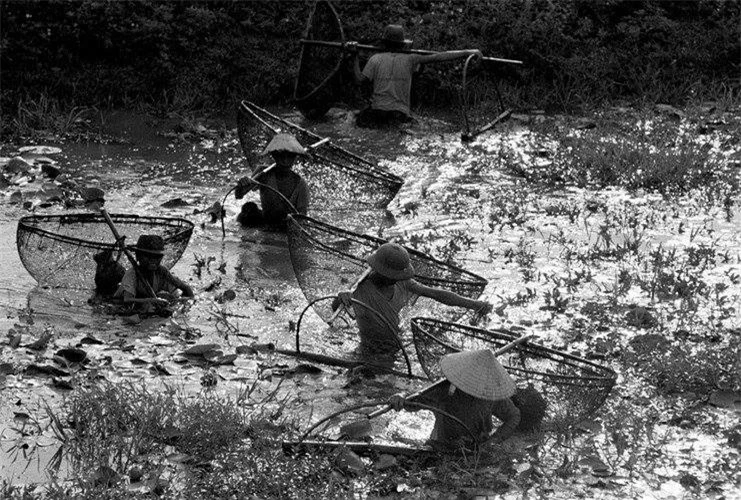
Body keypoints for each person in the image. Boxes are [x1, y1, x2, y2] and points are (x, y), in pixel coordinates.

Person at [332, 242, 492, 358]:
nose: (395, 280)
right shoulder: (361, 289)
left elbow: (436, 294)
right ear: (380, 272)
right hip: (370, 347)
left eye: (397, 276)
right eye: (391, 277)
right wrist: (340, 298)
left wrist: (474, 304)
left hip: (396, 341)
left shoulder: (403, 282)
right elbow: (337, 308)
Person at [389, 349, 546, 450]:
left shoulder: (490, 395)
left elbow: (513, 415)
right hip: (442, 443)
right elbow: (413, 403)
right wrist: (401, 398)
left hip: (476, 444)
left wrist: (494, 440)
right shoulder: (445, 390)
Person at [350, 24, 482, 128]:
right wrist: (467, 52)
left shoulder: (375, 59)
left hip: (376, 113)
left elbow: (358, 80)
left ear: (384, 42)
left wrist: (354, 56)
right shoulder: (411, 59)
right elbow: (440, 56)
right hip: (399, 115)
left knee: (355, 119)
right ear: (402, 44)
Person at [235, 133, 309, 228]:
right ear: (274, 156)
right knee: (248, 208)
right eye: (281, 156)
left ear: (294, 158)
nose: (285, 161)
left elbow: (302, 219)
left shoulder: (301, 184)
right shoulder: (264, 173)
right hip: (267, 221)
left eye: (289, 157)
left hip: (286, 226)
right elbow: (239, 195)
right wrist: (242, 184)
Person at [114, 234, 194, 314]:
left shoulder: (162, 271)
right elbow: (127, 300)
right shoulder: (132, 274)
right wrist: (151, 300)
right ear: (138, 256)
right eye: (148, 256)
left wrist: (185, 303)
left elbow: (185, 288)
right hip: (120, 302)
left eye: (157, 257)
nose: (153, 260)